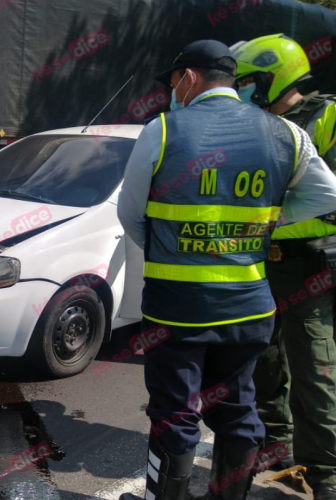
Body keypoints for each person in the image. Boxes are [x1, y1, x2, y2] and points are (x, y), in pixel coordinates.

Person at [116, 39, 336, 500]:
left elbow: (132, 214)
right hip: (248, 309)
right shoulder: (287, 134)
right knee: (238, 409)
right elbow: (327, 197)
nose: (173, 92)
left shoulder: (164, 129)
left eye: (175, 82)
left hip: (177, 311)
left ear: (190, 77)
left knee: (176, 414)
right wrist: (263, 220)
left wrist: (171, 252)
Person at [232, 33, 336, 499]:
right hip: (262, 260)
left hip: (313, 261)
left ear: (275, 77)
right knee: (265, 357)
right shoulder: (256, 124)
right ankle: (278, 445)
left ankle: (326, 475)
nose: (242, 93)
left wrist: (280, 212)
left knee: (314, 367)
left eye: (248, 83)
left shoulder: (328, 115)